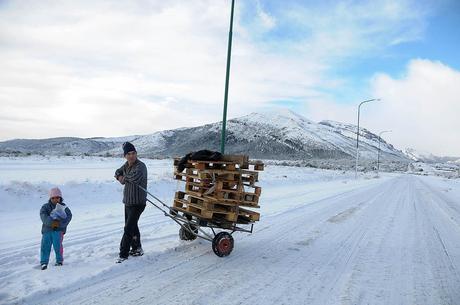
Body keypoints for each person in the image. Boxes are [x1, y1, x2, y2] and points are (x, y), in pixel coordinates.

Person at [114, 142, 148, 263]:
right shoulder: (126, 165)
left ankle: (123, 254)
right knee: (133, 226)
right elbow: (117, 172)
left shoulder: (141, 166)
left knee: (128, 228)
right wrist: (119, 176)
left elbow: (134, 178)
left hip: (138, 202)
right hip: (128, 201)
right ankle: (137, 248)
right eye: (129, 154)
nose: (131, 156)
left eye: (133, 153)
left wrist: (123, 178)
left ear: (136, 154)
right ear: (125, 156)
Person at [39, 187, 72, 270]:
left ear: (60, 198)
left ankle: (59, 261)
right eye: (53, 198)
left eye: (57, 197)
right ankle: (44, 262)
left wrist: (59, 224)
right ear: (50, 198)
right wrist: (52, 222)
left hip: (58, 231)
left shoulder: (64, 207)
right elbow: (43, 216)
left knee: (58, 246)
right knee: (45, 246)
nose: (55, 199)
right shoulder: (45, 207)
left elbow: (68, 217)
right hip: (47, 231)